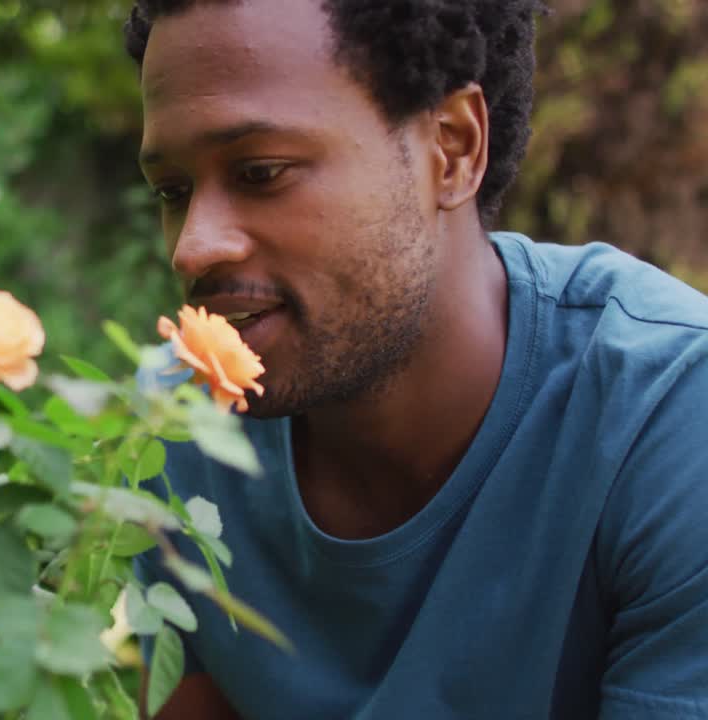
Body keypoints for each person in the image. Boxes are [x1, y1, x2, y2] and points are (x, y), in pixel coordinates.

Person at [125, 1, 708, 718]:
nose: (193, 246)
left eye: (261, 171)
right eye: (172, 192)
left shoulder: (668, 421)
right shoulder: (174, 425)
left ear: (453, 148)